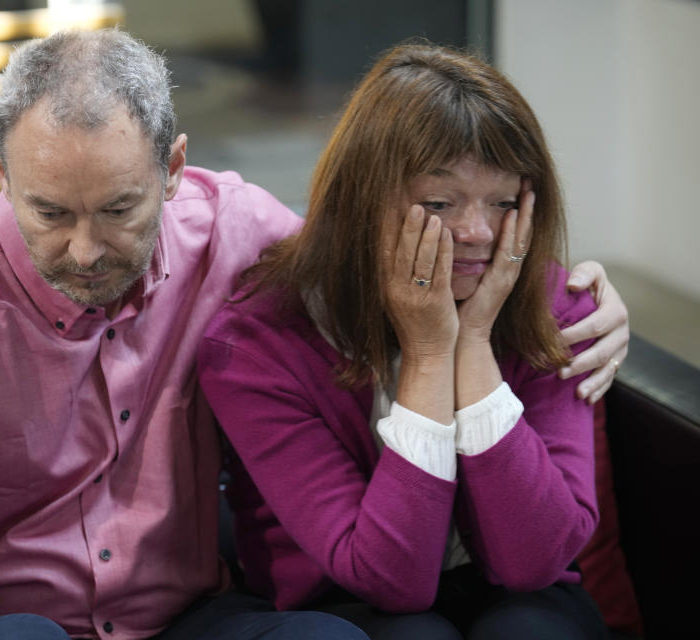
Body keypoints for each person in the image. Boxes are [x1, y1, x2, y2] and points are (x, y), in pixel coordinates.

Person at [0, 31, 625, 640]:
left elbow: (370, 257)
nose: (84, 249)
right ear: (2, 176)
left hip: (187, 619)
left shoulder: (235, 233)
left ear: (174, 170)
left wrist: (579, 298)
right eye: (48, 212)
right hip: (14, 625)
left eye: (117, 210)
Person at [197, 44, 615, 640]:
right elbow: (392, 581)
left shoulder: (561, 310)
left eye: (503, 202)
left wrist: (471, 346)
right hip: (337, 599)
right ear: (361, 204)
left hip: (514, 589)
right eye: (440, 204)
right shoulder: (255, 346)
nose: (478, 232)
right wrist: (426, 355)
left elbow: (535, 561)